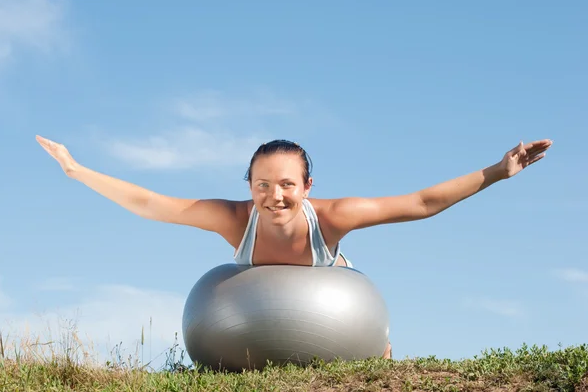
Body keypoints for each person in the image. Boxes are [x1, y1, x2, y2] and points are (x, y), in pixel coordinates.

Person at [35, 135, 553, 360]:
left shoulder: (332, 217)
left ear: (306, 186)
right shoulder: (235, 219)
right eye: (261, 184)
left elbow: (419, 202)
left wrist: (497, 173)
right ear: (249, 186)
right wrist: (77, 171)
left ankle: (383, 357)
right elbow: (151, 203)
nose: (274, 195)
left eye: (285, 184)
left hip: (337, 315)